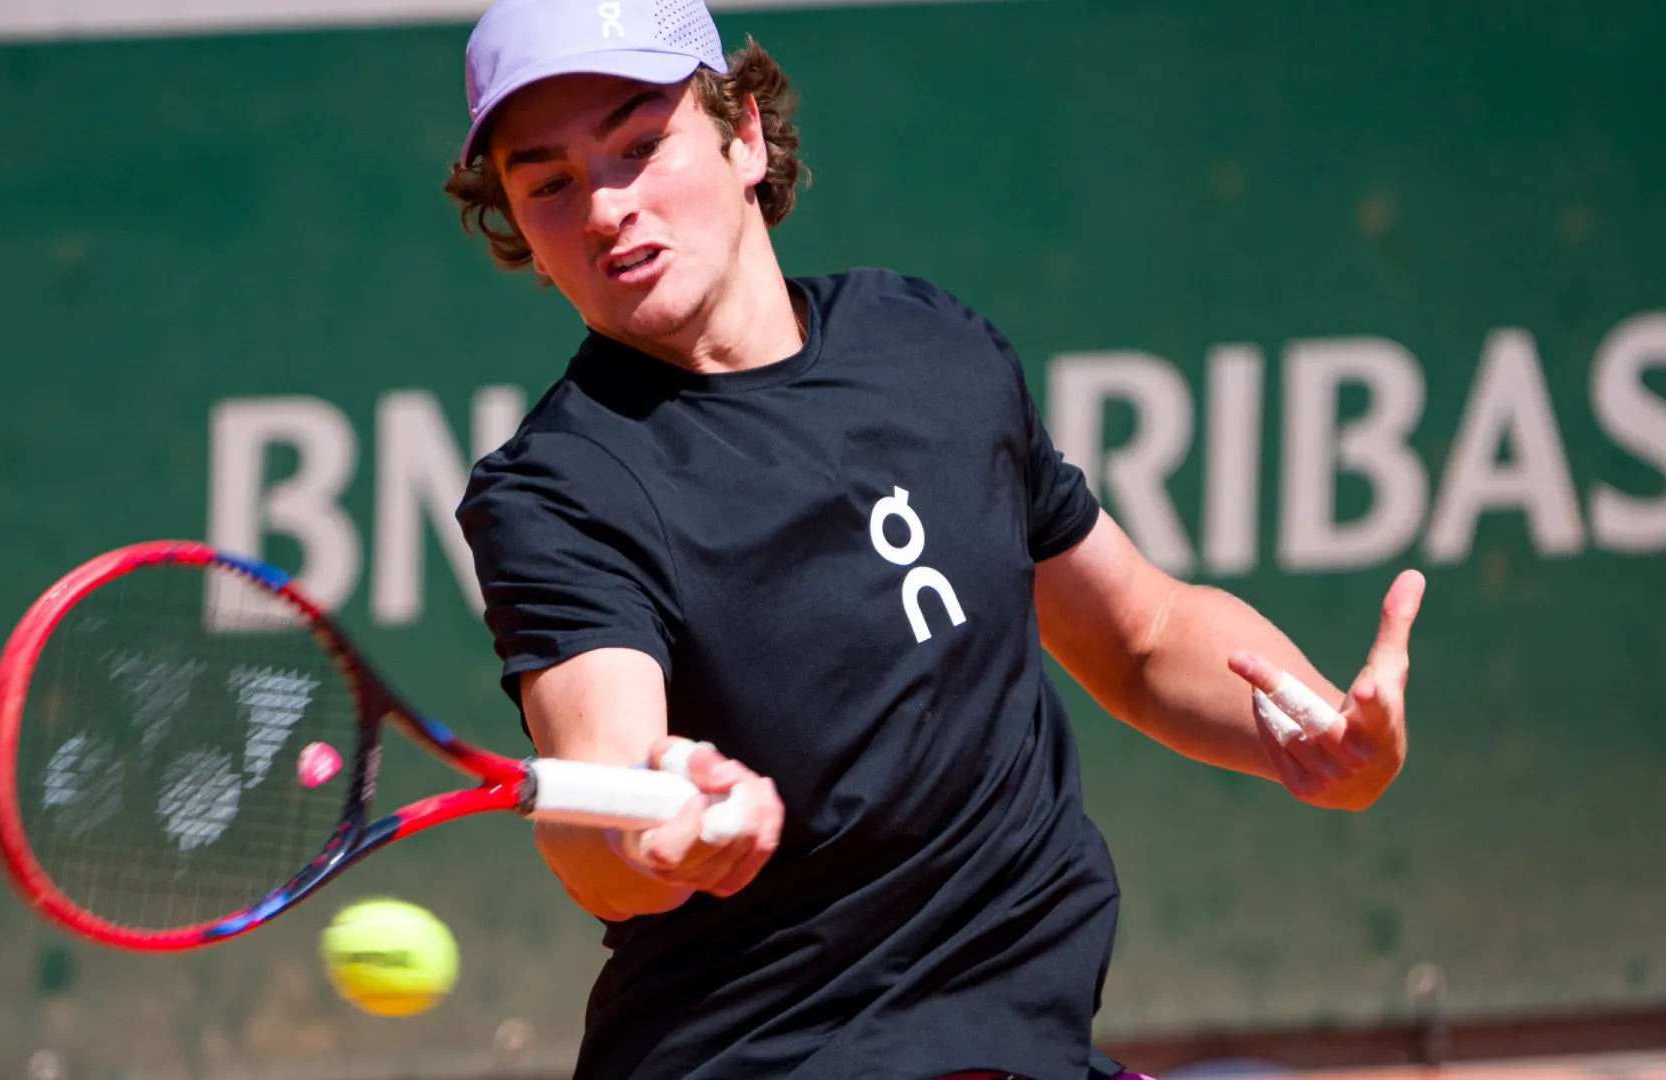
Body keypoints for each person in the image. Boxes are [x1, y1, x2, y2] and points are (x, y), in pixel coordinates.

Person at [443, 1, 1426, 1077]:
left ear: (745, 135)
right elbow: (597, 782)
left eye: (640, 146)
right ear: (521, 232)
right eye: (550, 184)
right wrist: (650, 821)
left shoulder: (923, 341)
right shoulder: (559, 489)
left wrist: (1317, 732)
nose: (606, 208)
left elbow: (1142, 636)